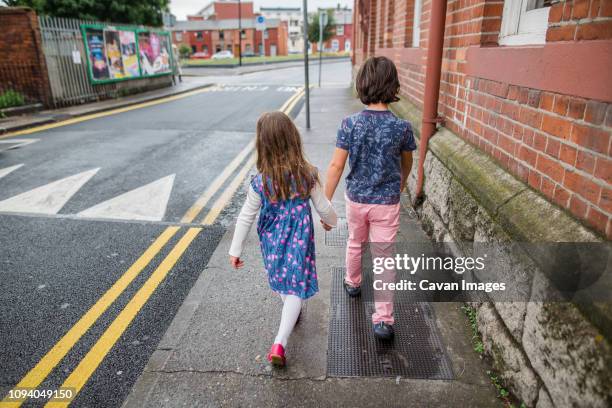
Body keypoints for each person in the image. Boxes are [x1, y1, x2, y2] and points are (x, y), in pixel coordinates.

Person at [229, 111, 337, 367]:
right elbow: (323, 207)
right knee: (295, 287)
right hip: (299, 239)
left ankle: (288, 318)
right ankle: (280, 342)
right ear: (293, 140)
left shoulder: (260, 182)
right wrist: (331, 222)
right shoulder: (307, 175)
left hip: (272, 240)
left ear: (262, 145)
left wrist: (236, 249)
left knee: (283, 282)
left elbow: (246, 216)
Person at [324, 56, 416, 340]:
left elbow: (337, 166)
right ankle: (384, 320)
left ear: (362, 84)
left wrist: (325, 204)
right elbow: (407, 163)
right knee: (384, 258)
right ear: (393, 85)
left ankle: (353, 282)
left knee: (355, 242)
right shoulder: (402, 127)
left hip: (357, 200)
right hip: (386, 203)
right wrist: (398, 187)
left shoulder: (349, 124)